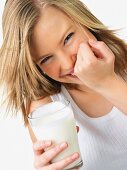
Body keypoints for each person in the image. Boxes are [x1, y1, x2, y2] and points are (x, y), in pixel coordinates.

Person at [0, 0, 127, 169]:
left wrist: (106, 82)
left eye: (68, 38)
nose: (68, 64)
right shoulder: (47, 109)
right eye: (46, 59)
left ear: (83, 20)